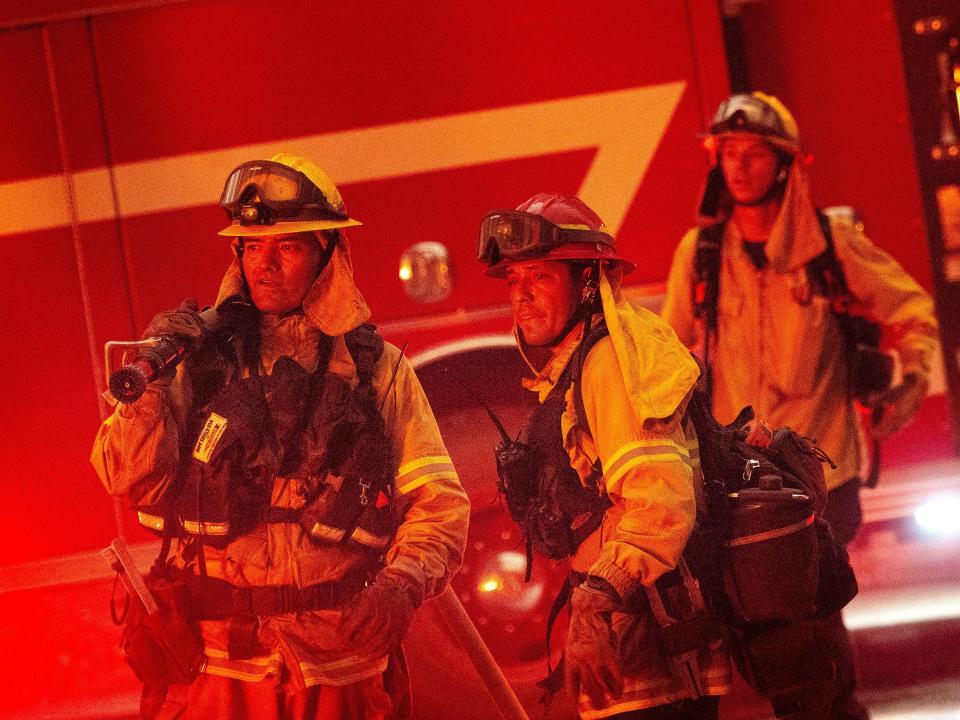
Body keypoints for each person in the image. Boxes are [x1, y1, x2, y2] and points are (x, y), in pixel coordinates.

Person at [92, 153, 470, 720]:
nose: (264, 265)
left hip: (339, 664)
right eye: (250, 247)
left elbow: (440, 503)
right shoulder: (195, 364)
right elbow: (122, 476)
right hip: (220, 666)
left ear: (327, 256)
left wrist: (402, 582)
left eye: (286, 247)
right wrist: (146, 390)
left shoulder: (376, 370)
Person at [661, 92, 939, 719]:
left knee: (803, 625)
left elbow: (914, 310)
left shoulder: (832, 248)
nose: (738, 167)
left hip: (822, 477)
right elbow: (669, 357)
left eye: (754, 154)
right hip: (742, 485)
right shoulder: (700, 256)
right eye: (728, 154)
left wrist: (909, 385)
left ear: (785, 165)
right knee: (775, 632)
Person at [477, 193, 732, 719]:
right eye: (514, 280)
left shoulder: (608, 365)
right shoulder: (581, 361)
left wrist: (595, 601)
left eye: (540, 278)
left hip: (650, 644)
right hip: (634, 636)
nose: (521, 297)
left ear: (588, 281)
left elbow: (661, 503)